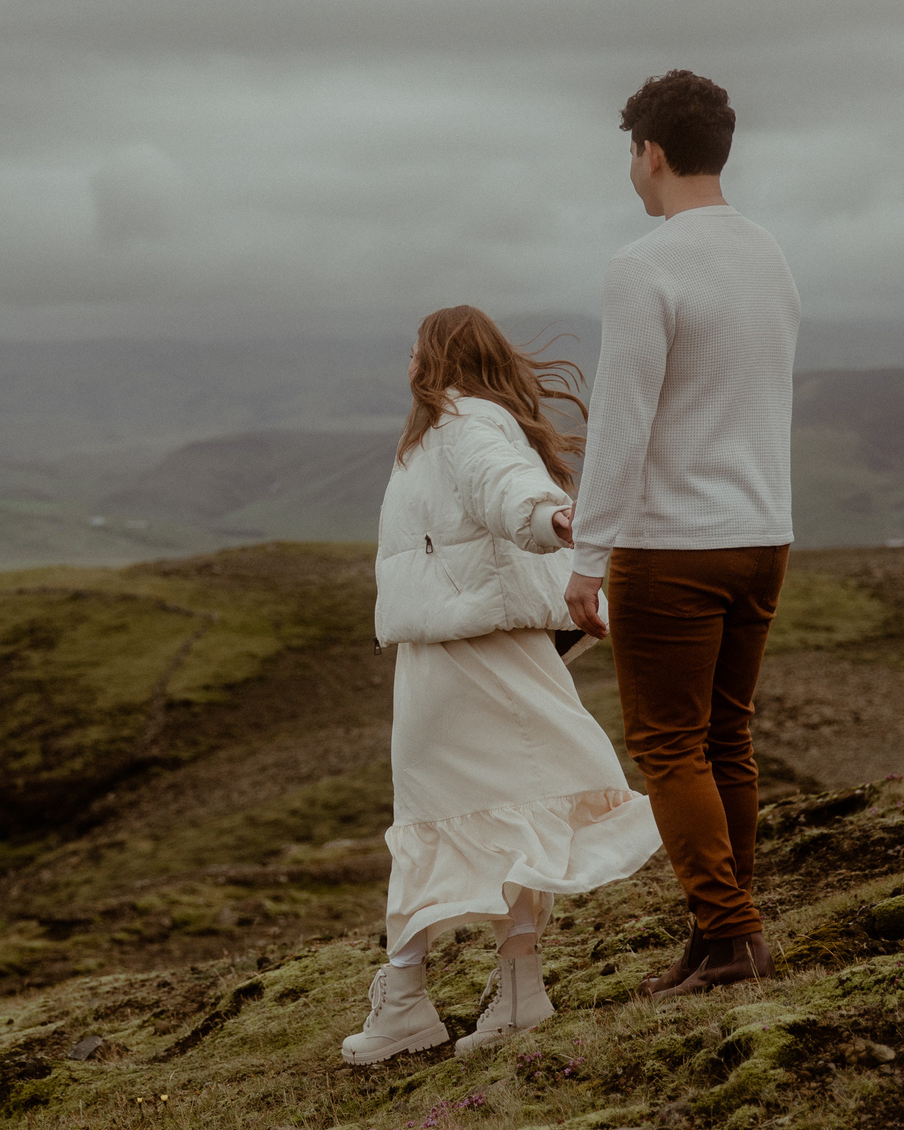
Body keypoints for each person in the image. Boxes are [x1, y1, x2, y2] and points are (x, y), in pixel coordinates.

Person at [341, 306, 663, 1066]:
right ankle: (519, 991)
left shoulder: (460, 426)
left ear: (440, 358)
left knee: (428, 818)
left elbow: (505, 490)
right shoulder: (473, 425)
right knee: (511, 813)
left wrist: (554, 518)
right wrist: (557, 519)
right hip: (491, 646)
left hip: (457, 654)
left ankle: (405, 1000)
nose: (409, 361)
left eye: (417, 347)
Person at [564, 70, 799, 999]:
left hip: (672, 545)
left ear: (649, 151)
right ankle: (716, 936)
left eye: (631, 150)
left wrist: (587, 560)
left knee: (670, 747)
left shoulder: (645, 266)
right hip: (763, 531)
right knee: (726, 740)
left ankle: (733, 932)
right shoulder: (769, 254)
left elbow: (623, 430)